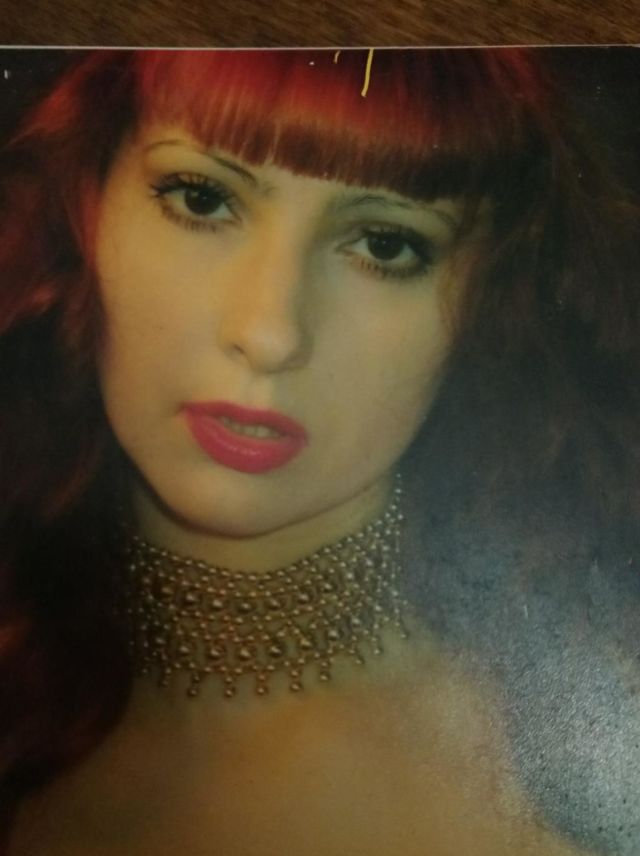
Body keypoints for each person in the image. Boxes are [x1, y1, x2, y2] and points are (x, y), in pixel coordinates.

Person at [0, 48, 639, 856]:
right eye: (202, 198)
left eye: (384, 245)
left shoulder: (573, 776)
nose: (270, 333)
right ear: (83, 205)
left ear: (493, 297)